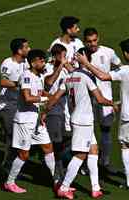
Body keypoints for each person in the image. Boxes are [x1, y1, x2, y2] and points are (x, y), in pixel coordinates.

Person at [76, 32, 129, 190]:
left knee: (125, 146)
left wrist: (86, 63)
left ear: (124, 53)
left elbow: (103, 77)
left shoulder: (124, 71)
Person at [46, 48, 118, 199]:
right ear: (87, 59)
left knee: (93, 150)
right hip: (84, 121)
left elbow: (55, 96)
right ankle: (64, 187)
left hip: (77, 119)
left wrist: (45, 111)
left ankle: (95, 188)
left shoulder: (70, 76)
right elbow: (99, 99)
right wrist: (112, 103)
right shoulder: (87, 76)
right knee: (80, 155)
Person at [3, 49, 55, 193]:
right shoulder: (26, 76)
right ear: (33, 63)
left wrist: (51, 95)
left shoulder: (38, 76)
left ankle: (56, 180)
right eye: (42, 61)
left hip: (37, 121)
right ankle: (10, 182)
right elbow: (27, 97)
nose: (44, 63)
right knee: (24, 155)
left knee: (48, 148)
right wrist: (44, 99)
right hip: (24, 122)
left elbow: (40, 92)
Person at [83, 27, 122, 174]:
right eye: (89, 41)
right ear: (85, 41)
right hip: (86, 100)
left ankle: (104, 162)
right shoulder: (80, 55)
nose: (92, 44)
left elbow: (120, 67)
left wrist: (114, 75)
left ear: (98, 38)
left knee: (106, 130)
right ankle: (87, 163)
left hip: (105, 98)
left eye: (94, 40)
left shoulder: (108, 52)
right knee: (87, 132)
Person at [0, 38, 30, 173]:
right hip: (7, 107)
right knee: (13, 138)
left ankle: (14, 164)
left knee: (22, 137)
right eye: (26, 47)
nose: (29, 49)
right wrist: (19, 85)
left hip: (21, 105)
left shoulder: (26, 62)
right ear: (19, 50)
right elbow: (3, 82)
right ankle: (8, 165)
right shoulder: (8, 63)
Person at [43, 43, 73, 186]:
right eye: (62, 56)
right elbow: (48, 83)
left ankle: (61, 166)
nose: (65, 58)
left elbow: (77, 75)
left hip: (66, 110)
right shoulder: (47, 68)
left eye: (65, 56)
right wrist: (60, 66)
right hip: (52, 111)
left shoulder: (67, 69)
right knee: (57, 143)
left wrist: (67, 66)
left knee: (68, 139)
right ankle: (58, 175)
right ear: (55, 56)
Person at [49, 16, 84, 133]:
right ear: (68, 30)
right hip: (62, 86)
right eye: (76, 28)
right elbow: (52, 66)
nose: (78, 30)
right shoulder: (56, 44)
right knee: (65, 118)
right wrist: (71, 69)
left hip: (76, 83)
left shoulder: (78, 43)